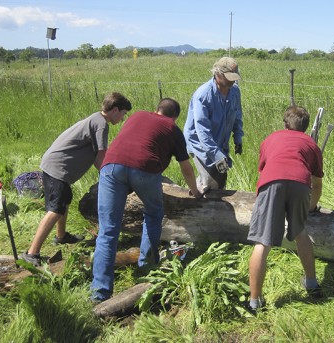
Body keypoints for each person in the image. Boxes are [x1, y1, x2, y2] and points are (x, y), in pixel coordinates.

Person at [90, 98, 202, 303]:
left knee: (108, 230)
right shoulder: (172, 129)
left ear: (156, 109)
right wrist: (195, 191)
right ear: (175, 118)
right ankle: (147, 266)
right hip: (144, 168)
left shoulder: (138, 115)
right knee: (153, 213)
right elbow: (185, 167)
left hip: (111, 166)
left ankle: (99, 292)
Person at [21, 92, 132, 266]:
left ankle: (61, 236)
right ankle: (31, 253)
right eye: (123, 113)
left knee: (64, 201)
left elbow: (97, 156)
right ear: (115, 110)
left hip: (55, 165)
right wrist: (113, 179)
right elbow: (102, 157)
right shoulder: (101, 124)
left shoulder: (96, 119)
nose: (123, 118)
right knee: (56, 209)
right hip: (58, 167)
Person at [247, 105, 324, 311]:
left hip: (272, 182)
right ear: (306, 127)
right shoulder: (311, 144)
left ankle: (255, 302)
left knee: (262, 242)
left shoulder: (270, 139)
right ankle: (312, 284)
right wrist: (311, 207)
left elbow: (264, 169)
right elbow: (317, 184)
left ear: (284, 124)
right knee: (300, 232)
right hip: (300, 183)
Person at [183, 56, 244, 193]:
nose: (233, 80)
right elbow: (202, 131)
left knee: (219, 179)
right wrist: (217, 156)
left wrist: (238, 138)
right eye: (229, 77)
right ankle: (198, 208)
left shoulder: (234, 91)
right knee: (212, 183)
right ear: (217, 74)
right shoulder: (203, 95)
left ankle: (202, 199)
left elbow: (237, 115)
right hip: (200, 143)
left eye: (235, 77)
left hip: (220, 141)